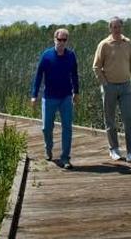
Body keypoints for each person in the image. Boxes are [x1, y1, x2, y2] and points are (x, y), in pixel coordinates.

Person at [92, 16, 131, 165]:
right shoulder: (104, 44)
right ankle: (114, 149)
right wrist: (104, 84)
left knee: (129, 119)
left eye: (119, 27)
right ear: (110, 28)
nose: (117, 29)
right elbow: (96, 67)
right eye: (114, 27)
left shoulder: (128, 43)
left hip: (126, 86)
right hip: (110, 87)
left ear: (122, 27)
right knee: (110, 120)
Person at [30, 27, 79, 169]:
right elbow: (39, 76)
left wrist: (76, 92)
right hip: (49, 97)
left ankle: (65, 158)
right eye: (59, 39)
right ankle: (48, 148)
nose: (62, 42)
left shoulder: (71, 56)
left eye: (64, 40)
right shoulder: (47, 55)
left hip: (66, 97)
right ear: (54, 39)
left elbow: (74, 75)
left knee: (67, 128)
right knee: (46, 128)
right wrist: (34, 95)